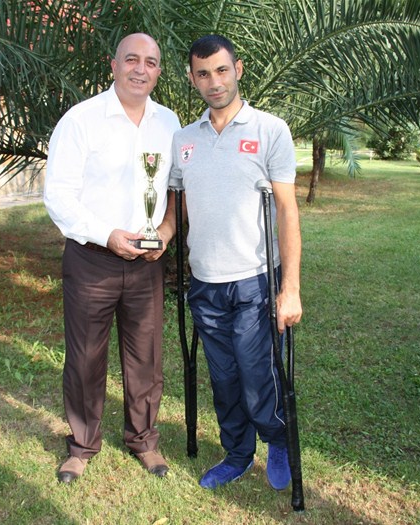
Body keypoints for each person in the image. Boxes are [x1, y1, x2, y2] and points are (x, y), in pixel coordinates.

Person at [166, 34, 302, 491]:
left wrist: (290, 288)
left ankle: (277, 439)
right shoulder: (184, 139)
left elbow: (287, 210)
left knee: (256, 374)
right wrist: (162, 234)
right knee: (223, 379)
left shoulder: (270, 130)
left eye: (222, 70)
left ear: (238, 69)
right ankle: (238, 453)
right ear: (192, 79)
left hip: (255, 280)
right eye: (203, 74)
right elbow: (178, 206)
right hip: (205, 282)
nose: (215, 82)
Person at [43, 33, 181, 484]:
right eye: (132, 60)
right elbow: (58, 196)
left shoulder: (169, 123)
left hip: (147, 263)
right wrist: (107, 235)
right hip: (92, 259)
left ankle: (144, 441)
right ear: (114, 65)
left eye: (151, 62)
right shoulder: (81, 120)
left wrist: (165, 232)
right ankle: (82, 446)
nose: (141, 69)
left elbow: (176, 189)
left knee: (146, 357)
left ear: (158, 71)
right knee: (85, 356)